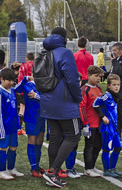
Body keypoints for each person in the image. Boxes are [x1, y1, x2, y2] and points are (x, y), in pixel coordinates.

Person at [41, 27, 82, 188]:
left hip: (47, 101)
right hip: (64, 102)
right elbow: (72, 80)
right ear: (63, 38)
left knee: (56, 138)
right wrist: (78, 98)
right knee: (73, 135)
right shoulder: (65, 53)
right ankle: (52, 171)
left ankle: (52, 175)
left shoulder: (44, 53)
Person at [0, 68, 24, 180]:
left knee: (13, 147)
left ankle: (11, 169)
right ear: (2, 79)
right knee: (3, 148)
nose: (11, 83)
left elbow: (14, 111)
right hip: (3, 128)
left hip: (12, 127)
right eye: (9, 80)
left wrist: (17, 125)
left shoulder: (11, 91)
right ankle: (1, 171)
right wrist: (1, 131)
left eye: (13, 80)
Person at [14, 75, 45, 177]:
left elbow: (50, 98)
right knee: (32, 141)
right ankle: (33, 168)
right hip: (31, 117)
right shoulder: (28, 84)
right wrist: (25, 79)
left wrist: (37, 96)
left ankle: (37, 165)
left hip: (42, 117)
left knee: (39, 142)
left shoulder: (46, 85)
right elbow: (17, 89)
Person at [93, 74, 122, 177]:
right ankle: (107, 170)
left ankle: (113, 168)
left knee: (118, 148)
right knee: (107, 149)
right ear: (108, 86)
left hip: (114, 128)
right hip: (106, 128)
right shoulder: (107, 96)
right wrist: (102, 116)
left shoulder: (115, 96)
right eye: (114, 84)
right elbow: (95, 104)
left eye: (118, 84)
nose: (116, 87)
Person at [80, 66, 104, 177]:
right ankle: (87, 168)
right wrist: (85, 124)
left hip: (99, 125)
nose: (98, 78)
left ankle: (92, 166)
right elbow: (82, 107)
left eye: (99, 76)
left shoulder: (99, 89)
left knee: (98, 146)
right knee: (89, 146)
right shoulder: (85, 89)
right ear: (89, 76)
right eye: (96, 76)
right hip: (90, 124)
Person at [64, 72, 83, 178]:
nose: (78, 83)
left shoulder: (79, 92)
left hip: (78, 121)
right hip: (69, 121)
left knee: (75, 145)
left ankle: (72, 168)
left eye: (79, 81)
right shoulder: (68, 92)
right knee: (70, 144)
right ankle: (68, 169)